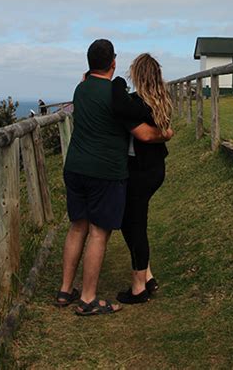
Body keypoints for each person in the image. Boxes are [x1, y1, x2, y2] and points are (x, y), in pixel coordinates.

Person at [56, 39, 172, 317]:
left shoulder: (80, 89)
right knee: (98, 232)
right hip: (104, 171)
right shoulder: (115, 96)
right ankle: (88, 298)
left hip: (74, 167)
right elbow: (143, 133)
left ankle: (64, 291)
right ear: (113, 63)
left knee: (76, 227)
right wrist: (166, 134)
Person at [112, 53, 173, 304]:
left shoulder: (137, 103)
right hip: (155, 169)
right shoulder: (161, 101)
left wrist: (115, 81)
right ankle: (147, 275)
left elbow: (118, 102)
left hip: (140, 171)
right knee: (133, 222)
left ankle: (138, 289)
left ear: (138, 75)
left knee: (135, 226)